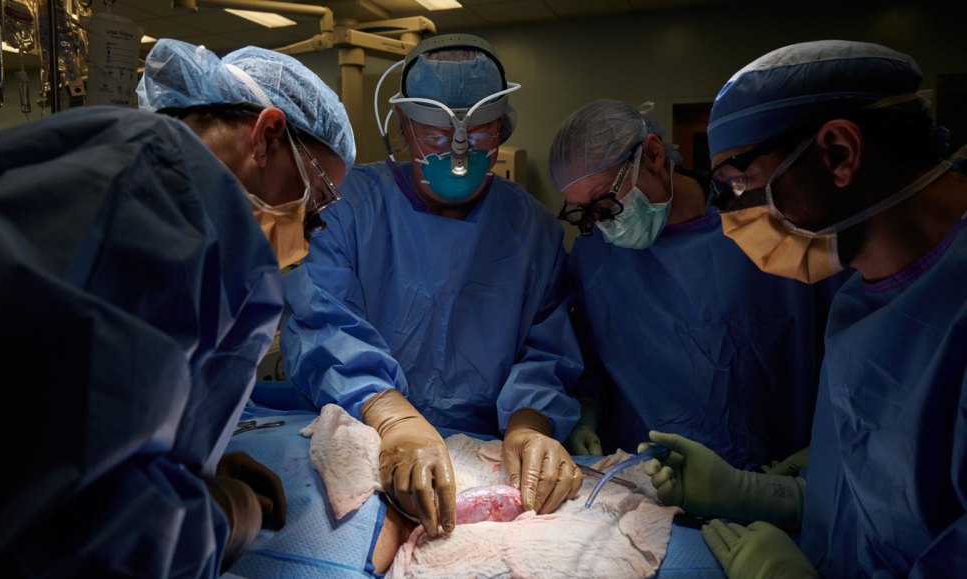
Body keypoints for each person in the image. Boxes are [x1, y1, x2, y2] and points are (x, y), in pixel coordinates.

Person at [0, 38, 353, 577]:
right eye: (314, 200)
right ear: (267, 135)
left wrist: (190, 466)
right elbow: (58, 515)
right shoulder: (168, 196)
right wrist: (217, 517)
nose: (308, 231)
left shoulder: (134, 166)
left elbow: (69, 400)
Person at [641, 40, 966, 577]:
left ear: (838, 152)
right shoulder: (864, 297)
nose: (732, 215)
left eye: (739, 181)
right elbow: (879, 500)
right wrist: (754, 494)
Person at [280, 33, 584, 538]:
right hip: (365, 436)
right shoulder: (347, 208)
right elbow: (322, 326)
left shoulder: (531, 229)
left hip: (488, 456)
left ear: (504, 126)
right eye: (438, 137)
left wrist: (530, 427)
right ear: (403, 124)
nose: (459, 152)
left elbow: (547, 349)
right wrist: (394, 420)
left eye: (479, 135)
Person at [549, 99, 841, 472]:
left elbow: (838, 345)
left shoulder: (766, 231)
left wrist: (816, 457)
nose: (600, 222)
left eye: (605, 201)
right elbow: (586, 356)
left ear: (653, 154)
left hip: (772, 477)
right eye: (583, 213)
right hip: (648, 477)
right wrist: (586, 410)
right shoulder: (595, 256)